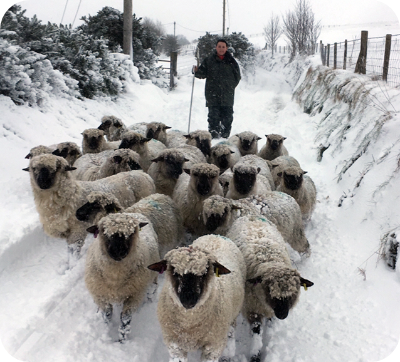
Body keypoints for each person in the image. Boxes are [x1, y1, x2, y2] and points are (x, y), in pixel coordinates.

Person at [193, 39, 241, 139]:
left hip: (227, 96)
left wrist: (230, 87)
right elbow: (202, 73)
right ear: (216, 47)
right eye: (219, 46)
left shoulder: (231, 61)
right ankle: (213, 138)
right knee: (213, 119)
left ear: (226, 48)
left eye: (223, 47)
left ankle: (224, 138)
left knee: (227, 119)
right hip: (212, 95)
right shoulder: (209, 60)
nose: (221, 49)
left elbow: (237, 77)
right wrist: (196, 71)